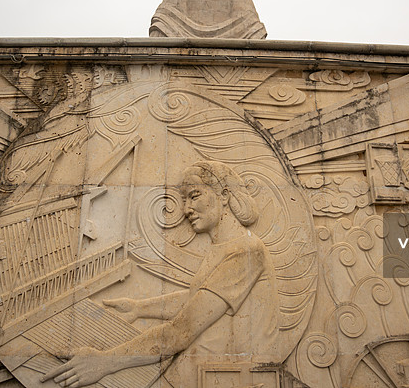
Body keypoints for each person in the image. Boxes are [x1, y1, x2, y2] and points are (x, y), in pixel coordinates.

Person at [42, 161, 279, 387]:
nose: (187, 209)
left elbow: (180, 331)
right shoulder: (226, 247)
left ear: (224, 195)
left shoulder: (246, 252)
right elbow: (200, 302)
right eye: (184, 200)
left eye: (194, 196)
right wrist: (139, 308)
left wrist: (106, 361)